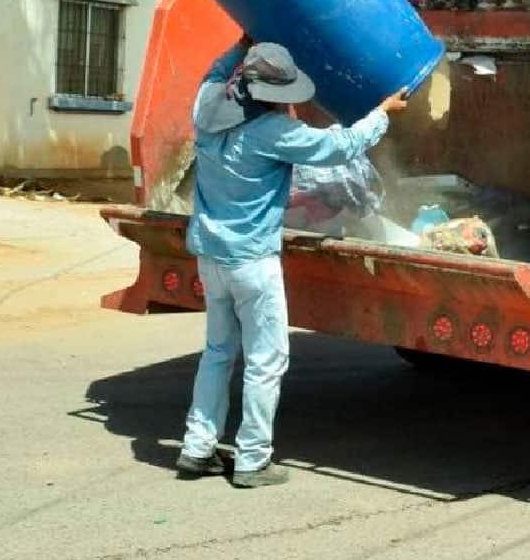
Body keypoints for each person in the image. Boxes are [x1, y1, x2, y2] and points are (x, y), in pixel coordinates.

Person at [174, 37, 408, 488]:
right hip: (252, 261)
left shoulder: (206, 108)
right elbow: (340, 147)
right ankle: (252, 460)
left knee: (218, 353)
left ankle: (196, 448)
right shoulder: (270, 134)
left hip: (211, 254)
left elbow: (213, 72)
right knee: (266, 359)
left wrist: (241, 43)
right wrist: (383, 113)